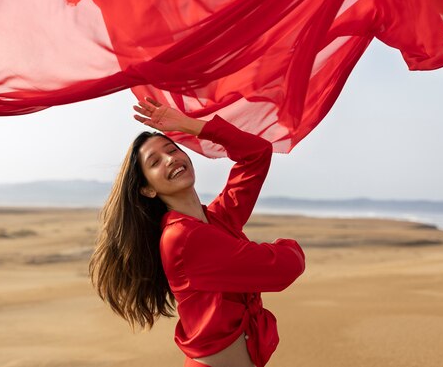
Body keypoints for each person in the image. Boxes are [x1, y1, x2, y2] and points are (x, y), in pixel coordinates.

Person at [89, 97, 305, 367]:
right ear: (148, 189)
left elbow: (256, 154)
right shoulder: (182, 238)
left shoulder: (217, 218)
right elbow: (283, 268)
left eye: (172, 149)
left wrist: (190, 125)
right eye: (155, 162)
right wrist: (289, 246)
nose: (170, 159)